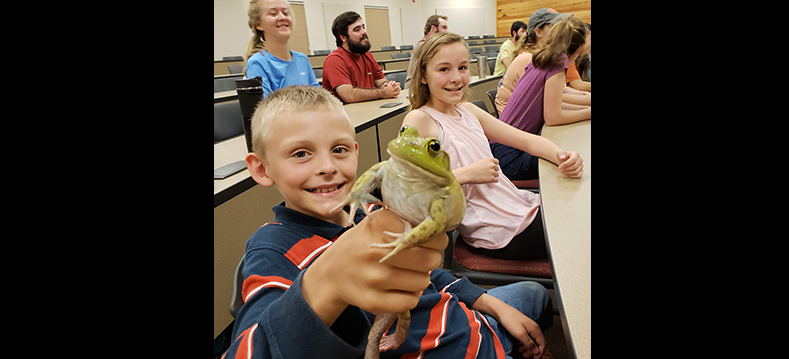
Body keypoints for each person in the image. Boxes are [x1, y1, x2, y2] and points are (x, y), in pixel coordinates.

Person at [225, 85, 554, 359]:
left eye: (339, 149)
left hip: (464, 317)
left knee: (535, 294)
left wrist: (488, 302)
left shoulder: (371, 211)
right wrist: (325, 284)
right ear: (261, 169)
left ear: (356, 152)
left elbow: (426, 272)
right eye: (300, 153)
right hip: (453, 348)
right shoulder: (271, 249)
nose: (327, 166)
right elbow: (247, 350)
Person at [400, 32, 583, 264]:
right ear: (424, 75)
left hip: (518, 206)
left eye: (463, 67)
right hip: (499, 230)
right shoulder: (419, 120)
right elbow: (403, 188)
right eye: (444, 69)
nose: (456, 78)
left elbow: (526, 140)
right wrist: (465, 175)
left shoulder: (467, 110)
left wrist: (562, 156)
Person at [490, 16, 591, 181]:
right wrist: (588, 113)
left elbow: (557, 103)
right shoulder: (558, 63)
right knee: (576, 161)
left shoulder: (543, 58)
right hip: (510, 157)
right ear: (580, 48)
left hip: (502, 149)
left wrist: (587, 110)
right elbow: (553, 117)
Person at [494, 8, 591, 115]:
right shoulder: (529, 59)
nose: (561, 31)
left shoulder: (545, 57)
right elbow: (554, 97)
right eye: (555, 27)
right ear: (538, 32)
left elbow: (562, 90)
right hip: (514, 119)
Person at [243, 0, 319, 98]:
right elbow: (265, 110)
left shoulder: (302, 59)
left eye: (285, 13)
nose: (282, 17)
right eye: (273, 14)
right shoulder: (258, 63)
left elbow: (319, 97)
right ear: (258, 24)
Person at [321, 11, 401, 104]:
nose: (364, 32)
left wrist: (390, 87)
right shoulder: (335, 60)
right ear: (343, 37)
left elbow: (382, 82)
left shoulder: (367, 55)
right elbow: (349, 96)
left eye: (363, 27)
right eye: (357, 29)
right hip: (345, 115)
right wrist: (383, 93)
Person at [404, 14, 448, 89]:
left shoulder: (435, 45)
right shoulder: (422, 46)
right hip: (415, 89)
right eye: (444, 28)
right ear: (433, 28)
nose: (447, 31)